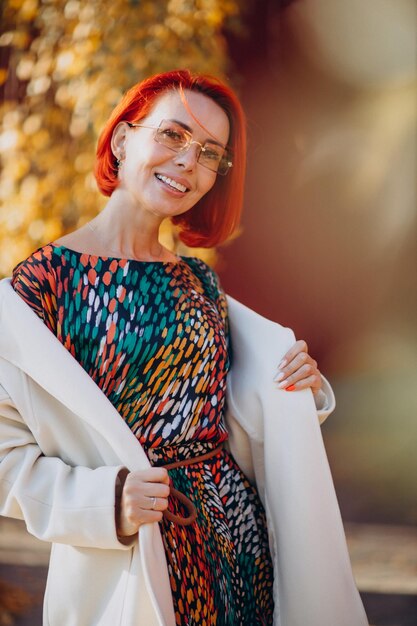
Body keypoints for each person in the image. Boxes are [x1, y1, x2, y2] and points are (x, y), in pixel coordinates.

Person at [0, 70, 368, 626]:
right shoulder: (42, 287)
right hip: (136, 552)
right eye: (172, 135)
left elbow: (239, 410)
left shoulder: (201, 282)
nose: (188, 162)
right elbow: (4, 457)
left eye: (209, 154)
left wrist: (299, 388)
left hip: (242, 547)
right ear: (123, 140)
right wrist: (106, 502)